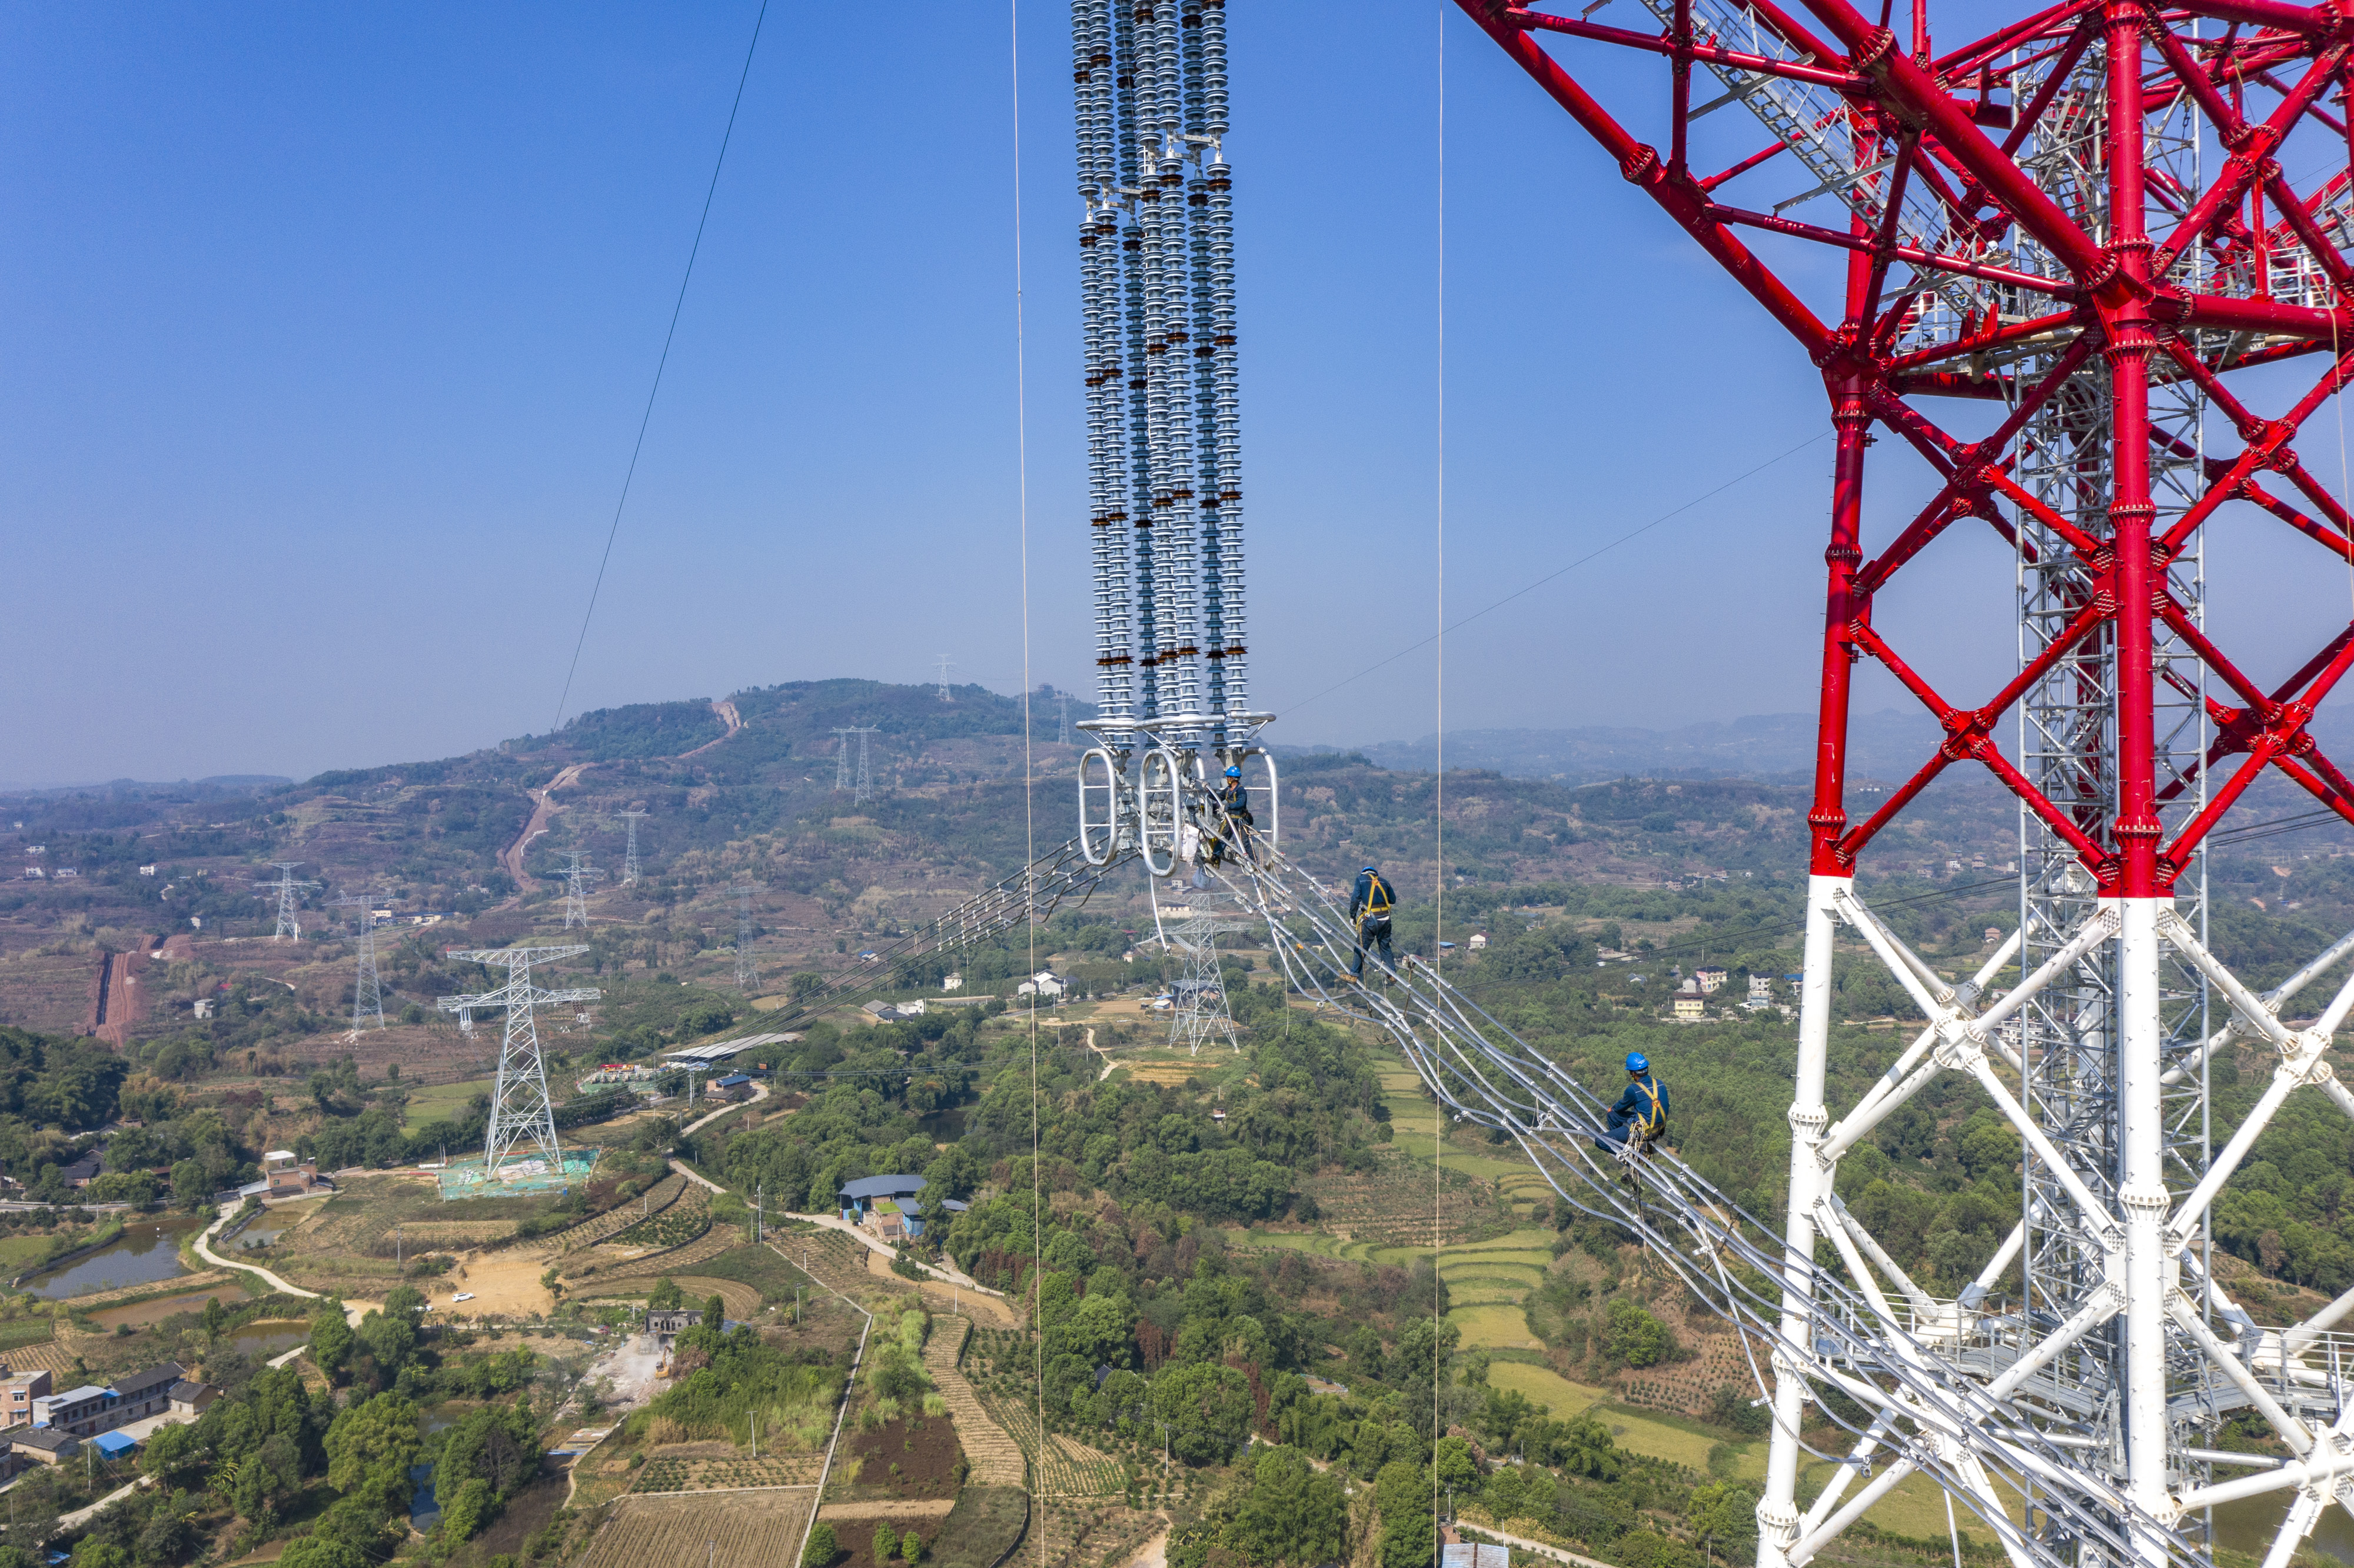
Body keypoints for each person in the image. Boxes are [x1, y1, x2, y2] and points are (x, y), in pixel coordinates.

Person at [1596, 1051, 1669, 1156]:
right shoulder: (1660, 1084)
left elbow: (1620, 1107)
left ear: (1633, 1073)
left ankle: (1630, 1154)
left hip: (1642, 1130)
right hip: (1658, 1127)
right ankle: (1627, 1145)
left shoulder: (1634, 1089)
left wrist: (1612, 1109)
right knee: (1612, 1115)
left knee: (1600, 1141)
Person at [1349, 863, 1397, 978]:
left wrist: (1352, 916)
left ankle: (1354, 975)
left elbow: (1355, 899)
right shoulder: (1384, 881)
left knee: (1361, 946)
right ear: (1376, 874)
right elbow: (1393, 900)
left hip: (1371, 919)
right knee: (1384, 946)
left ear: (1364, 873)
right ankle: (1392, 974)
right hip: (1386, 919)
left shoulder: (1361, 880)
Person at [1210, 764, 1254, 866]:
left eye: (1228, 777)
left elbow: (1241, 803)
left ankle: (1253, 862)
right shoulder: (1228, 790)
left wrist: (1228, 807)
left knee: (1245, 842)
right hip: (1230, 820)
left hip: (1240, 821)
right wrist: (1210, 792)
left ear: (1232, 778)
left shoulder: (1241, 791)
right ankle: (1214, 856)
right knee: (1223, 838)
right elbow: (1219, 797)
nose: (1227, 779)